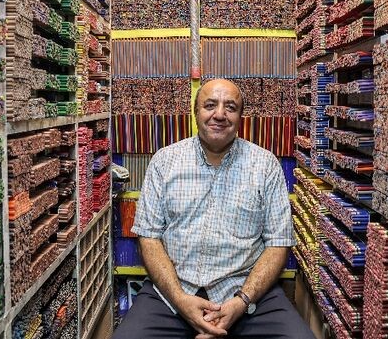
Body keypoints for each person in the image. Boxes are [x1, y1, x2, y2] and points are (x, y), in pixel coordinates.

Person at [113, 79, 315, 339]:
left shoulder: (265, 166)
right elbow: (149, 238)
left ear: (241, 117)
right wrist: (180, 300)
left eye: (230, 107)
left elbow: (278, 243)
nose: (219, 114)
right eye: (210, 105)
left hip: (245, 292)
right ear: (196, 112)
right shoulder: (164, 162)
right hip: (174, 291)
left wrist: (241, 302)